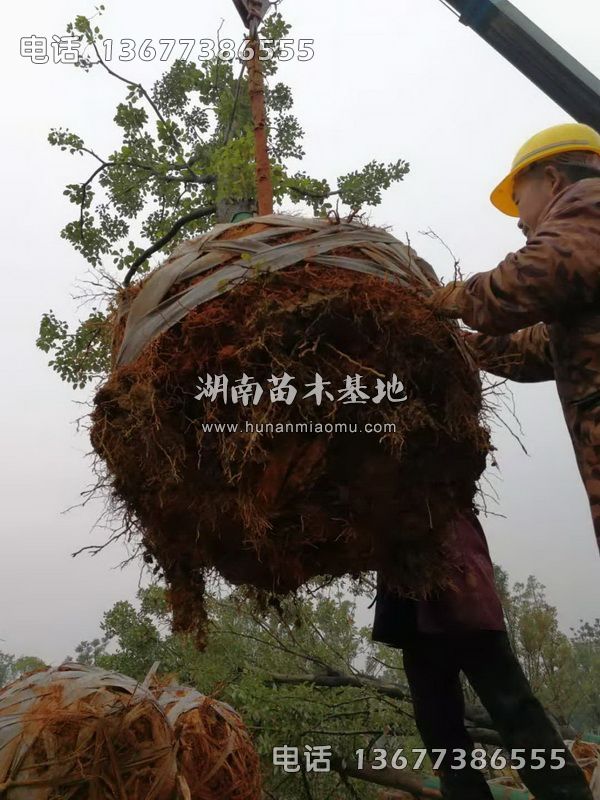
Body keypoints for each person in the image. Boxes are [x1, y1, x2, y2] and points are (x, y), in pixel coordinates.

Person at [430, 122, 600, 554]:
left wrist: (450, 299)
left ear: (553, 179)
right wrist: (458, 344)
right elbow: (538, 350)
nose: (521, 222)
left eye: (519, 201)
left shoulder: (590, 202)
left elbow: (526, 280)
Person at [371, 510, 593, 799]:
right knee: (440, 729)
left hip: (465, 595)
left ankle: (567, 794)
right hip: (414, 614)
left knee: (515, 710)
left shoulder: (441, 488)